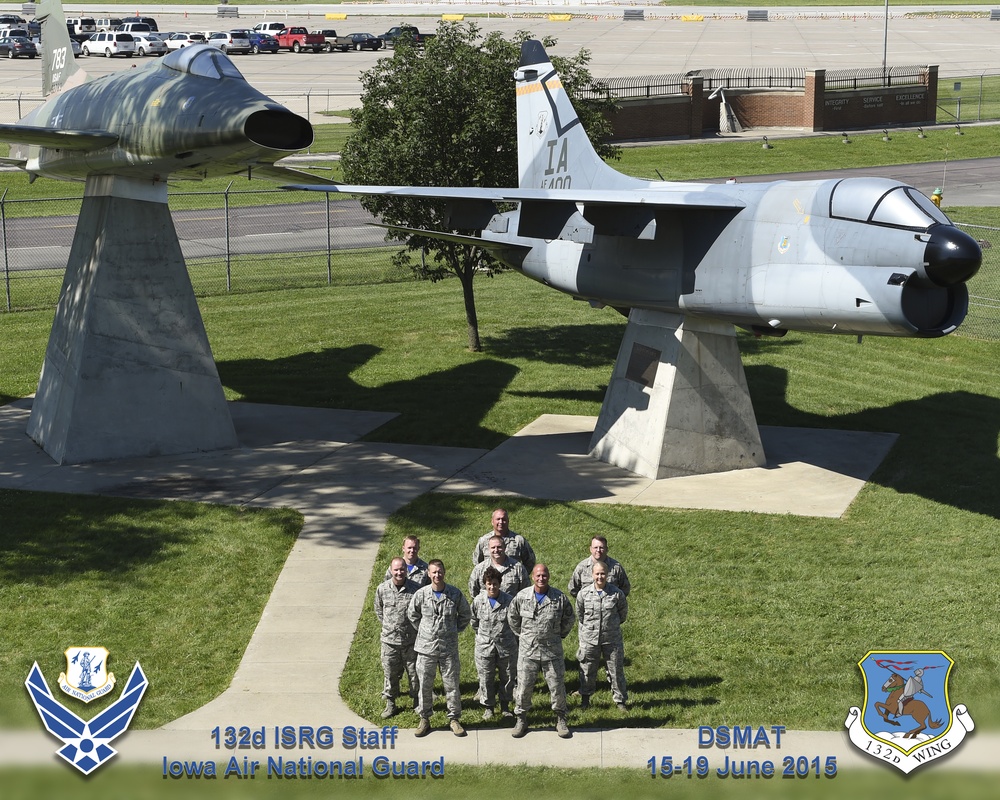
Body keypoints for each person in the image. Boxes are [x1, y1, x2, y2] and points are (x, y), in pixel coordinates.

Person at [508, 563, 575, 738]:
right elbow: (512, 617)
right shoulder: (522, 597)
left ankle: (561, 719)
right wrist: (523, 636)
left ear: (549, 576)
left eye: (544, 575)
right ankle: (521, 719)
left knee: (557, 687)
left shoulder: (559, 598)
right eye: (538, 575)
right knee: (523, 687)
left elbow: (569, 618)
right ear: (532, 577)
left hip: (551, 652)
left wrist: (558, 635)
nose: (541, 578)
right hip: (527, 652)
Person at [407, 559, 472, 737]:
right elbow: (412, 614)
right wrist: (424, 630)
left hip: (447, 648)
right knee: (425, 686)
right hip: (426, 648)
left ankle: (454, 719)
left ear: (444, 572)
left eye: (440, 572)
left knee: (451, 685)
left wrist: (453, 630)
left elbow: (465, 614)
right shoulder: (421, 594)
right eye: (434, 572)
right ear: (428, 573)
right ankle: (424, 719)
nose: (437, 575)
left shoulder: (454, 594)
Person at [575, 561, 629, 711]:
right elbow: (580, 615)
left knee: (616, 670)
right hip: (590, 639)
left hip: (611, 639)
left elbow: (622, 614)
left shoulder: (617, 594)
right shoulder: (583, 594)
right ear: (592, 575)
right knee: (587, 669)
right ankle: (585, 699)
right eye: (597, 574)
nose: (600, 577)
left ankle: (620, 701)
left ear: (608, 575)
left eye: (603, 574)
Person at [373, 557, 421, 718]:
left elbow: (420, 612)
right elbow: (379, 610)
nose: (399, 572)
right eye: (396, 570)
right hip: (389, 642)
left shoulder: (416, 590)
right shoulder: (382, 589)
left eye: (402, 569)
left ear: (406, 570)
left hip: (411, 642)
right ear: (391, 570)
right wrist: (390, 626)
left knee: (414, 674)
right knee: (390, 674)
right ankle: (391, 704)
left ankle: (417, 702)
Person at [470, 567, 517, 720]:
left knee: (507, 677)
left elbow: (516, 622)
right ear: (485, 584)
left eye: (495, 584)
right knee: (485, 677)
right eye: (489, 584)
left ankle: (505, 706)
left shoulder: (509, 601)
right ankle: (488, 707)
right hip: (485, 647)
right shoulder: (478, 601)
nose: (492, 587)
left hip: (506, 647)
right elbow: (474, 621)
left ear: (500, 584)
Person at [471, 508, 536, 572]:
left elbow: (530, 562)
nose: (501, 522)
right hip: (491, 581)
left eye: (503, 519)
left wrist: (520, 576)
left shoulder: (518, 540)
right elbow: (477, 562)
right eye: (498, 519)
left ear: (508, 521)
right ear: (492, 521)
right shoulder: (484, 540)